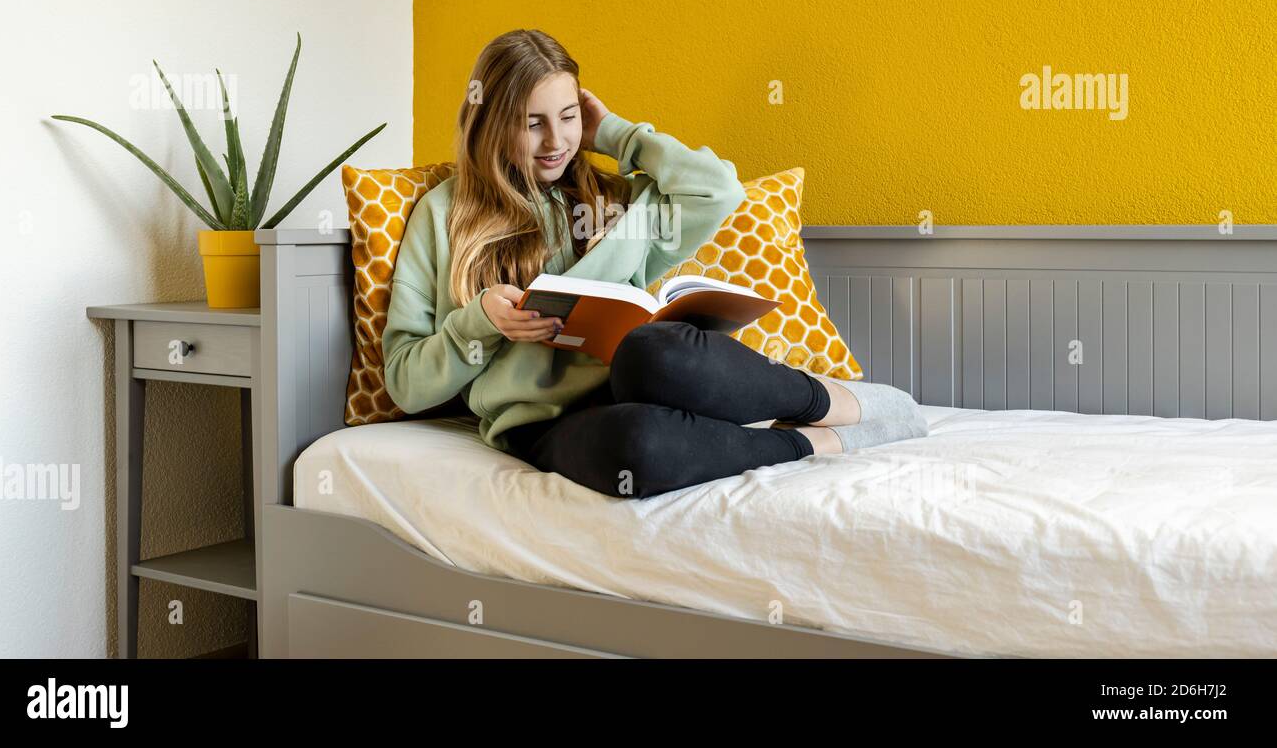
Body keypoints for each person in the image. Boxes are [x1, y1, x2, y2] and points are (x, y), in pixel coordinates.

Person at [382, 29, 927, 498]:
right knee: (639, 449)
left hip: (638, 376)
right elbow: (406, 382)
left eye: (568, 117)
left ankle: (837, 402)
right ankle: (818, 441)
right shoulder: (444, 214)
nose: (556, 141)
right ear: (492, 123)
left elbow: (717, 191)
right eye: (533, 124)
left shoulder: (615, 199)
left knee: (655, 350)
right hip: (542, 423)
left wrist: (617, 134)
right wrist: (479, 321)